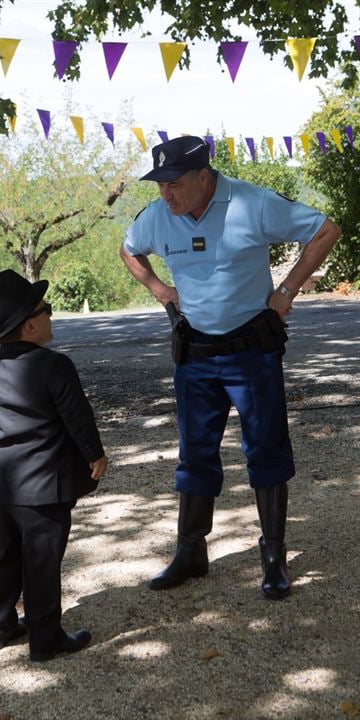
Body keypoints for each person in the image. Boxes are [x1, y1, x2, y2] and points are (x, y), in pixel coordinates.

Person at [120, 135, 341, 600]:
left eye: (175, 184)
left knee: (266, 449)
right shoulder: (160, 215)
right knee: (195, 453)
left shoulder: (251, 203)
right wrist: (161, 290)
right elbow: (129, 249)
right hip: (197, 355)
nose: (166, 195)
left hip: (251, 352)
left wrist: (288, 290)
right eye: (160, 185)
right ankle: (190, 551)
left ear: (204, 177)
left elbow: (325, 230)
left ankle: (274, 556)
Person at [0, 269, 108, 662]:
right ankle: (45, 639)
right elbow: (78, 418)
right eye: (47, 310)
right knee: (43, 558)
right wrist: (94, 455)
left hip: (5, 480)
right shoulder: (54, 366)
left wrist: (8, 444)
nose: (51, 316)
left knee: (6, 550)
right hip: (46, 483)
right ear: (31, 324)